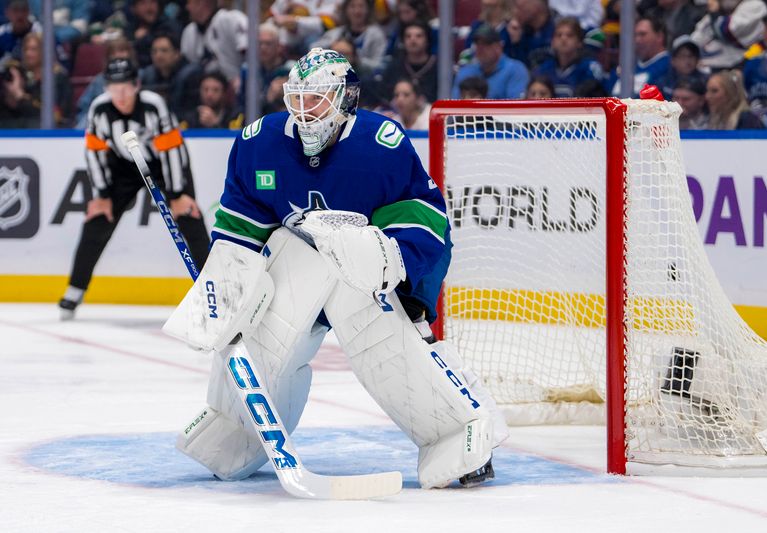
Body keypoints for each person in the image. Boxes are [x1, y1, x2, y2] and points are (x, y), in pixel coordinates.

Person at [172, 48, 509, 489]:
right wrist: (225, 293)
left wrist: (408, 289)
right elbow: (240, 233)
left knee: (382, 338)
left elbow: (427, 224)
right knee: (261, 331)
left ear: (346, 99)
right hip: (298, 277)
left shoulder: (380, 144)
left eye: (318, 100)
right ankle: (238, 431)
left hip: (365, 285)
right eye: (298, 99)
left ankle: (452, 433)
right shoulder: (260, 142)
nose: (305, 112)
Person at [58, 58, 210, 319]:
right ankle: (75, 288)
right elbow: (94, 152)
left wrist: (176, 194)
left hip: (163, 165)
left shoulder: (153, 105)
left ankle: (212, 290)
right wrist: (103, 195)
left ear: (136, 85)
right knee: (97, 220)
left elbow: (173, 150)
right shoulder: (99, 109)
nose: (121, 94)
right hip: (124, 168)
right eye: (114, 87)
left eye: (126, 87)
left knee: (189, 216)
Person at [531, 17, 604, 98]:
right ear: (552, 42)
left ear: (579, 42)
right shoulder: (543, 70)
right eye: (559, 35)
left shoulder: (590, 68)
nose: (563, 39)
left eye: (570, 35)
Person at [139, 32, 203, 124]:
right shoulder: (148, 75)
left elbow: (192, 110)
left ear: (177, 53)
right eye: (154, 51)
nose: (158, 55)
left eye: (164, 50)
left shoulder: (190, 75)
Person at [452, 24, 529, 99]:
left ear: (499, 47)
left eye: (486, 44)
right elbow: (455, 105)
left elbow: (516, 106)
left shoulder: (515, 70)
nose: (480, 48)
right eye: (477, 44)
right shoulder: (466, 72)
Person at [311, 0, 387, 75]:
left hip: (365, 80)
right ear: (346, 10)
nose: (357, 11)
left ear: (368, 10)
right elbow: (313, 49)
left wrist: (356, 61)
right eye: (352, 6)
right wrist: (332, 46)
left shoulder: (376, 35)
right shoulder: (337, 33)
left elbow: (380, 65)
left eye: (361, 6)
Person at [610, 17, 670, 97]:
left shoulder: (670, 66)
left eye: (643, 34)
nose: (637, 40)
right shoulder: (627, 66)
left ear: (659, 36)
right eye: (635, 35)